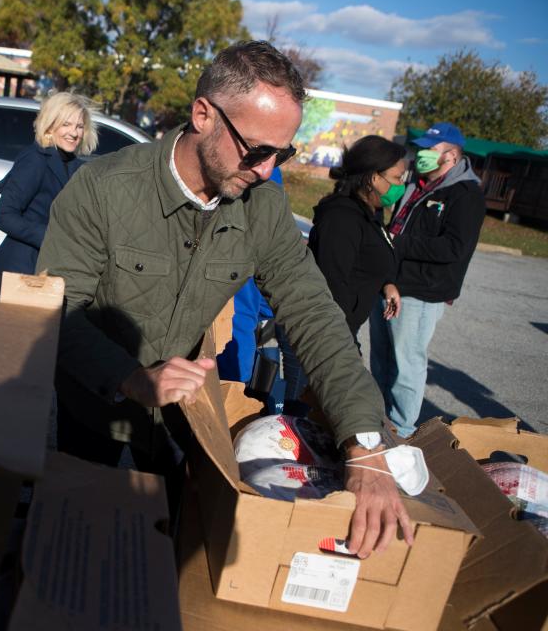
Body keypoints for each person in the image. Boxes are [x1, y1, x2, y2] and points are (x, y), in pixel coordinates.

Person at [37, 41, 413, 559]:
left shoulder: (264, 208)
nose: (266, 170)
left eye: (282, 154)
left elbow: (314, 315)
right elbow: (57, 308)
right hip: (96, 407)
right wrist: (131, 377)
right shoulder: (102, 189)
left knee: (163, 549)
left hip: (183, 420)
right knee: (78, 539)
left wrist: (366, 447)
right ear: (202, 115)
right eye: (257, 150)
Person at [369, 123, 486, 437]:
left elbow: (455, 247)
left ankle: (403, 430)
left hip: (422, 293)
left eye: (428, 149)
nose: (420, 154)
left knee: (406, 366)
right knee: (380, 361)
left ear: (450, 155)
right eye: (420, 148)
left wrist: (400, 241)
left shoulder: (466, 194)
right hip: (389, 283)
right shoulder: (414, 183)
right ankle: (378, 421)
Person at [0, 92, 98, 300]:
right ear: (50, 125)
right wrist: (52, 238)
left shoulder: (73, 165)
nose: (74, 133)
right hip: (20, 267)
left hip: (48, 270)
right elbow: (3, 215)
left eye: (79, 126)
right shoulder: (36, 160)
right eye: (66, 124)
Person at [309, 135, 405, 341]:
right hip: (327, 337)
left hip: (343, 330)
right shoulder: (342, 219)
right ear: (373, 178)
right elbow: (332, 285)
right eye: (397, 178)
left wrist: (387, 284)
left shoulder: (372, 211)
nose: (401, 185)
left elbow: (368, 255)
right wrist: (346, 345)